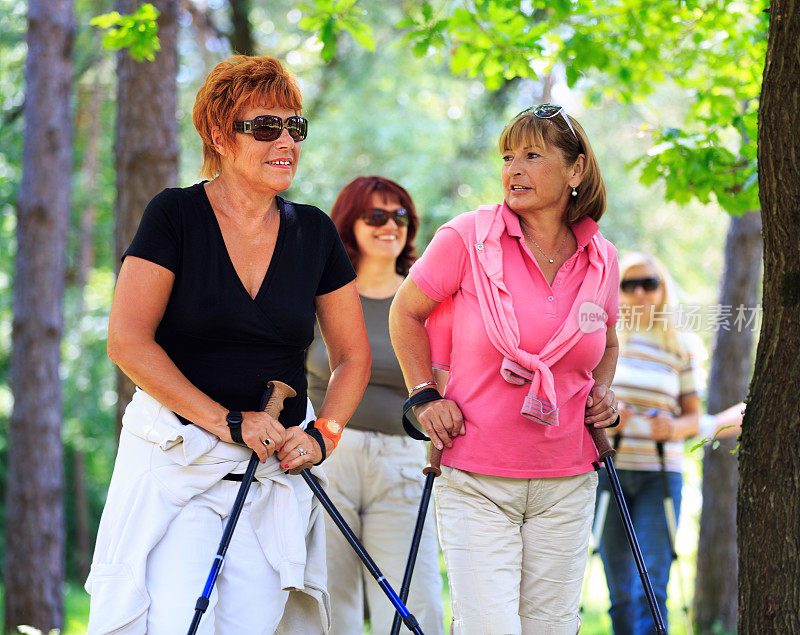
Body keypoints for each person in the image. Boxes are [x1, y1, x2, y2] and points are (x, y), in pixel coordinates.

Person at [85, 55, 371, 634]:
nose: (286, 140)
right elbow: (128, 342)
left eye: (296, 126)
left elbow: (352, 356)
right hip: (179, 464)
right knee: (175, 622)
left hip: (271, 480)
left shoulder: (313, 231)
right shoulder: (175, 215)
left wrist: (324, 434)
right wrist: (226, 421)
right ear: (219, 134)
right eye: (266, 126)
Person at [389, 104, 621, 634]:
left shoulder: (602, 258)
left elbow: (606, 342)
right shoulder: (466, 239)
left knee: (553, 627)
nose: (513, 169)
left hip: (567, 480)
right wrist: (424, 395)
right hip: (476, 476)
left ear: (576, 170)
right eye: (507, 156)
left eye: (533, 156)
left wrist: (602, 390)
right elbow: (405, 312)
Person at [306, 175, 445, 634]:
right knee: (324, 602)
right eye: (376, 215)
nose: (392, 225)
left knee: (411, 602)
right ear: (350, 222)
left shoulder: (425, 299)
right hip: (326, 457)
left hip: (403, 461)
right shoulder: (319, 295)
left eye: (400, 215)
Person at [598, 252, 704, 635]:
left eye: (649, 283)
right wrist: (610, 416)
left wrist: (672, 429)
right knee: (620, 591)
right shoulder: (604, 340)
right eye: (629, 284)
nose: (640, 292)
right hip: (610, 471)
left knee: (652, 586)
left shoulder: (682, 346)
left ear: (662, 290)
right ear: (618, 291)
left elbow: (693, 416)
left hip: (660, 475)